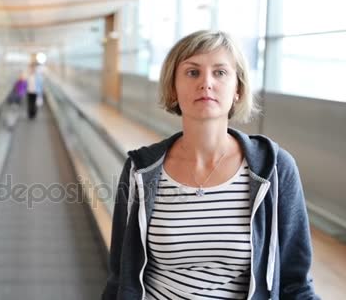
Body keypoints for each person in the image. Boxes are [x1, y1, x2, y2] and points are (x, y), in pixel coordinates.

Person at [102, 30, 319, 300]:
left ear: (238, 89)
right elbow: (120, 276)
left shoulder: (274, 169)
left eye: (220, 73)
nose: (206, 83)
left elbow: (295, 283)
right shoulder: (141, 170)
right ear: (173, 88)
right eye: (192, 72)